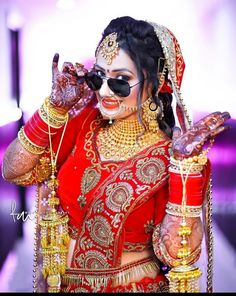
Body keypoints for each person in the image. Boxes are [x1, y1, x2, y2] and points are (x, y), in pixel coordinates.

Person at [2, 16, 230, 293]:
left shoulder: (175, 158)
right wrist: (55, 108)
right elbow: (14, 170)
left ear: (156, 83)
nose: (106, 92)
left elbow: (176, 255)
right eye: (98, 77)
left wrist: (185, 171)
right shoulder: (83, 123)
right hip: (60, 284)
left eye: (121, 81)